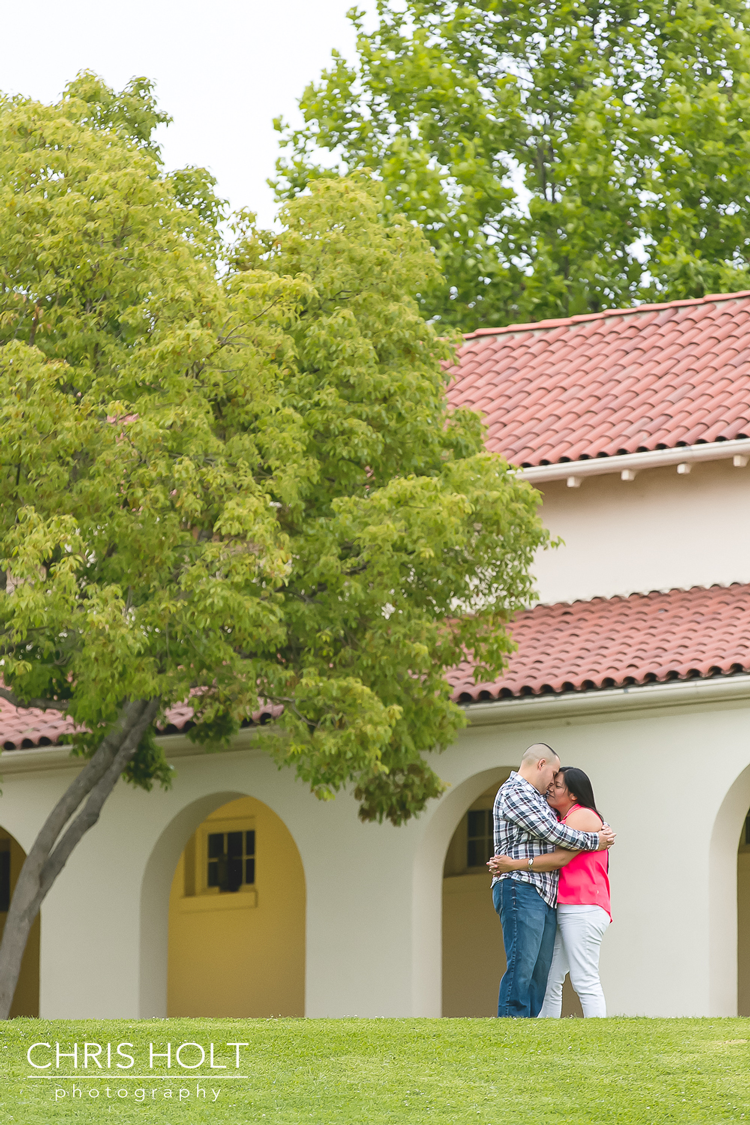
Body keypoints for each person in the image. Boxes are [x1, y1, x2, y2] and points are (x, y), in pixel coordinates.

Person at [486, 744, 615, 1019]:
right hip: (521, 886)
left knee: (541, 971)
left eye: (559, 782)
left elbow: (562, 835)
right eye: (554, 774)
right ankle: (512, 1027)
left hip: (548, 895)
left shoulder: (543, 801)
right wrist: (598, 840)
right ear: (541, 764)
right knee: (524, 964)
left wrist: (597, 831)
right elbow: (551, 833)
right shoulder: (516, 792)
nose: (552, 785)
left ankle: (531, 1027)